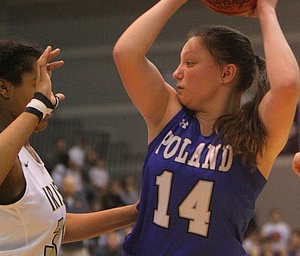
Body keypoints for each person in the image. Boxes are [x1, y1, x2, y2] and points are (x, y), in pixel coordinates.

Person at [113, 0, 299, 255]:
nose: (177, 73)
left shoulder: (254, 137)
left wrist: (266, 9)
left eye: (189, 63)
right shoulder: (167, 114)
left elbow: (287, 85)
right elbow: (126, 53)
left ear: (226, 74)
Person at [0, 38, 138, 255]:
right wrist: (37, 107)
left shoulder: (26, 152)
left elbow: (55, 227)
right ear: (4, 88)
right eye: (38, 85)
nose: (48, 95)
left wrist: (136, 212)